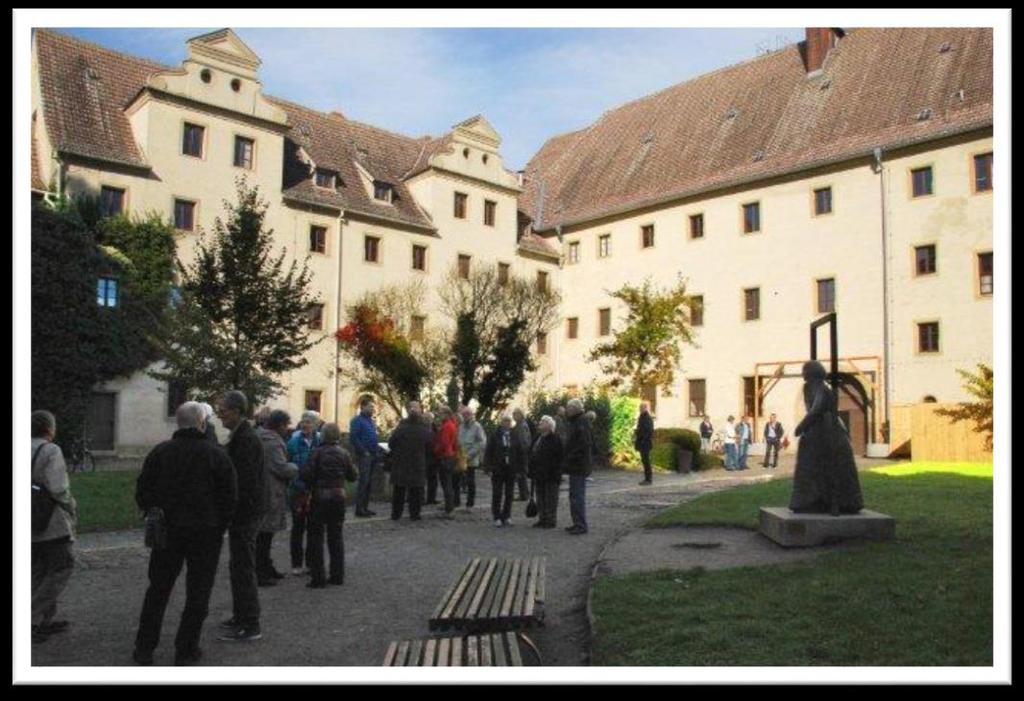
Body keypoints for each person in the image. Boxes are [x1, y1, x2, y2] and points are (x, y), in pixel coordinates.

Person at [132, 402, 237, 666]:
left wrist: (153, 510)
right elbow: (229, 497)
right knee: (198, 592)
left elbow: (143, 491)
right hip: (205, 532)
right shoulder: (215, 454)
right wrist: (220, 524)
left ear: (178, 423)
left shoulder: (161, 452)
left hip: (168, 530)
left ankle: (144, 648)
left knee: (158, 589)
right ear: (202, 423)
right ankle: (186, 648)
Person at [216, 390, 265, 642]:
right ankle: (241, 615)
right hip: (246, 512)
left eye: (222, 410)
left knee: (243, 567)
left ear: (236, 411)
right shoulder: (241, 436)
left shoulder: (246, 439)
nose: (219, 414)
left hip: (245, 513)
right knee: (238, 566)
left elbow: (243, 482)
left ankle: (250, 622)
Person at [790, 361, 864, 515]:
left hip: (827, 428)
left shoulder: (821, 388)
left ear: (812, 372)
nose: (803, 374)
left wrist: (801, 426)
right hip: (817, 429)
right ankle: (810, 500)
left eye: (805, 371)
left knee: (831, 464)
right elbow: (812, 410)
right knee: (810, 462)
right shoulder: (808, 387)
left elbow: (816, 410)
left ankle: (838, 502)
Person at [30, 410, 77, 645]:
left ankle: (44, 619)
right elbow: (58, 487)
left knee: (38, 569)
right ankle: (31, 619)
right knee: (61, 566)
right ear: (49, 428)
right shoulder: (50, 450)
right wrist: (71, 506)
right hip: (49, 520)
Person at [302, 423, 358, 588]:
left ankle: (318, 577)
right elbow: (353, 476)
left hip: (320, 497)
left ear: (323, 435)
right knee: (336, 537)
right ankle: (337, 575)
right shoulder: (344, 454)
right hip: (338, 497)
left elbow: (307, 474)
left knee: (316, 538)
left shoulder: (317, 453)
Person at [256, 410, 298, 586]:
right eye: (286, 425)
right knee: (265, 535)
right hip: (270, 491)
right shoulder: (272, 443)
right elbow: (281, 468)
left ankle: (266, 566)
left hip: (261, 488)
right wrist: (294, 467)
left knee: (264, 535)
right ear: (279, 425)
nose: (287, 429)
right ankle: (262, 571)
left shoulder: (259, 437)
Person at [286, 411, 322, 573]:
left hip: (315, 490)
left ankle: (310, 562)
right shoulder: (293, 441)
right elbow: (287, 463)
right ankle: (296, 564)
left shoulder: (320, 441)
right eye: (303, 421)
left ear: (315, 425)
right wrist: (296, 482)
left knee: (314, 528)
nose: (305, 425)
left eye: (309, 422)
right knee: (298, 527)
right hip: (298, 490)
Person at [387, 401, 434, 521]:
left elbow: (391, 443)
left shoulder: (401, 428)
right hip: (417, 463)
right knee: (416, 491)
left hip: (401, 463)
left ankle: (396, 514)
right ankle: (415, 514)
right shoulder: (424, 429)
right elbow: (430, 447)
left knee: (399, 491)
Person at [485, 414, 523, 527]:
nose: (507, 423)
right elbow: (489, 451)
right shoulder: (495, 435)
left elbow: (520, 452)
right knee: (497, 493)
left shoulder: (515, 435)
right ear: (501, 423)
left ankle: (507, 515)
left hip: (511, 468)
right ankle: (496, 516)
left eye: (508, 421)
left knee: (509, 494)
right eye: (505, 421)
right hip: (498, 468)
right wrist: (488, 467)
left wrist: (521, 469)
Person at [563, 399, 593, 535]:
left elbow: (582, 445)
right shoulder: (577, 422)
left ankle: (581, 525)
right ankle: (577, 523)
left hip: (579, 465)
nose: (567, 411)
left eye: (568, 408)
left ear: (575, 408)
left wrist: (569, 457)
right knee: (574, 495)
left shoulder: (581, 423)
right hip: (576, 464)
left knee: (577, 496)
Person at [349, 397, 381, 518]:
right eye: (370, 406)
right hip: (365, 455)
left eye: (373, 407)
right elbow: (354, 437)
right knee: (364, 481)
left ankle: (365, 507)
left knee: (369, 483)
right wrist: (363, 451)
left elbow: (373, 437)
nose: (373, 409)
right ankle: (359, 508)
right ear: (363, 407)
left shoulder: (371, 421)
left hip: (373, 454)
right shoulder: (357, 420)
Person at [529, 415, 563, 529]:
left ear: (549, 425)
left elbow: (558, 458)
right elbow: (532, 452)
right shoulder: (538, 437)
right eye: (540, 421)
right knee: (540, 497)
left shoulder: (555, 439)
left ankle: (550, 520)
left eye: (542, 422)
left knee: (551, 499)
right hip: (538, 473)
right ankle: (542, 518)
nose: (540, 423)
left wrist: (555, 471)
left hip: (551, 474)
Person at [456, 406, 486, 509]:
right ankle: (456, 501)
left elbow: (481, 442)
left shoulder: (477, 426)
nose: (465, 416)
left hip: (471, 458)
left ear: (471, 415)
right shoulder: (461, 426)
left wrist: (470, 455)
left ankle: (470, 503)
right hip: (460, 457)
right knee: (457, 480)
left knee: (470, 482)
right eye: (464, 415)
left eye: (467, 414)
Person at [432, 406, 458, 515]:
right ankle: (449, 507)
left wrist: (435, 451)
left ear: (447, 414)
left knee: (446, 484)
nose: (439, 415)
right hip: (450, 456)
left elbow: (444, 443)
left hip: (445, 457)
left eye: (441, 413)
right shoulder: (452, 424)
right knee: (448, 484)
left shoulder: (447, 426)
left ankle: (449, 509)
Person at [511, 408, 532, 501]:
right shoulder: (518, 425)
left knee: (521, 474)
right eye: (513, 414)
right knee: (520, 474)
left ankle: (524, 494)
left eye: (515, 414)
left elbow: (524, 441)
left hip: (521, 453)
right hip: (518, 453)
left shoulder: (522, 426)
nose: (513, 416)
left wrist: (521, 451)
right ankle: (523, 494)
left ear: (520, 415)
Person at [634, 401, 655, 485]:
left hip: (645, 443)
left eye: (642, 408)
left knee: (646, 461)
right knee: (644, 461)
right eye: (640, 408)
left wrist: (642, 438)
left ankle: (648, 479)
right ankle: (647, 478)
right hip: (642, 442)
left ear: (645, 408)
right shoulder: (642, 417)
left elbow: (648, 431)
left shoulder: (647, 418)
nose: (640, 409)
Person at [423, 410, 440, 505]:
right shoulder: (421, 428)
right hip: (424, 456)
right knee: (423, 479)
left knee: (433, 479)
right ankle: (421, 498)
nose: (429, 420)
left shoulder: (434, 428)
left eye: (430, 418)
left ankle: (431, 498)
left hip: (434, 457)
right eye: (427, 418)